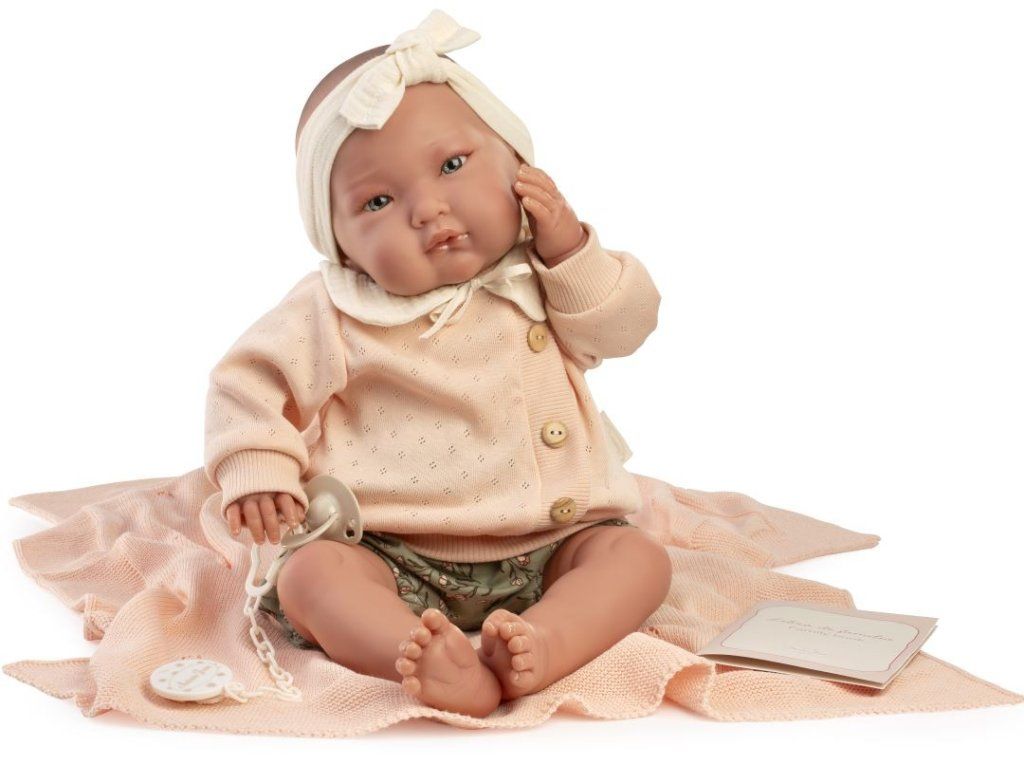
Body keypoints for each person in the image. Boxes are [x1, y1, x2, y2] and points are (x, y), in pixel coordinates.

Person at [205, 9, 671, 718]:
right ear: (341, 244)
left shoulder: (543, 270)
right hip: (388, 548)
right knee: (312, 578)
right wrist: (258, 467)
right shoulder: (336, 309)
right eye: (378, 201)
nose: (429, 210)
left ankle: (544, 643)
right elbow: (249, 381)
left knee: (636, 562)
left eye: (453, 165)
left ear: (518, 164)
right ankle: (421, 654)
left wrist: (572, 250)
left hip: (554, 540)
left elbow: (625, 328)